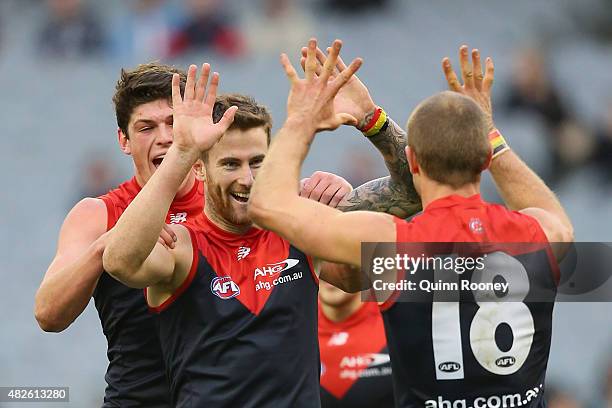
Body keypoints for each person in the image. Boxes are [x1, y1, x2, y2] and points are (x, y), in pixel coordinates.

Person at [248, 39, 574, 407]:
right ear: (484, 159)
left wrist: (304, 118)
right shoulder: (539, 233)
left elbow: (266, 203)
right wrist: (489, 134)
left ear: (413, 162)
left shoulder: (389, 245)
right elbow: (557, 218)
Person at [101, 53, 421, 406]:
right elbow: (120, 263)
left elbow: (414, 190)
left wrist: (370, 119)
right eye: (230, 164)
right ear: (200, 170)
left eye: (257, 162)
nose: (247, 178)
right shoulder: (182, 247)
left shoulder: (302, 232)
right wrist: (182, 150)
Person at [34, 62, 352, 407]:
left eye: (174, 122)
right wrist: (106, 245)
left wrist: (343, 205)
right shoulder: (99, 214)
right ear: (123, 141)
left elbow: (362, 274)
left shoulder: (235, 203)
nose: (166, 137)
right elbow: (49, 314)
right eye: (146, 127)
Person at [318, 279, 394, 407]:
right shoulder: (293, 326)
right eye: (320, 259)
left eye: (339, 261)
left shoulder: (394, 315)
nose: (328, 271)